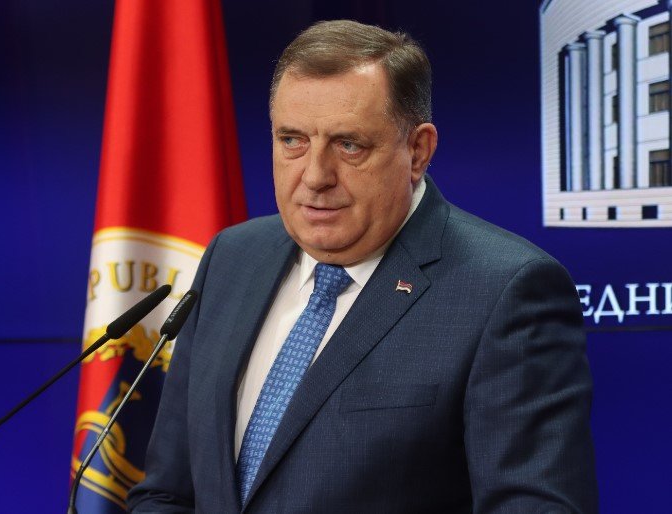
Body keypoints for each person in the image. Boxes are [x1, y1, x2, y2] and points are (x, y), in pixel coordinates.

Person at [128, 20, 597, 513]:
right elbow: (167, 491)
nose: (315, 176)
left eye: (349, 144)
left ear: (417, 151)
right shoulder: (232, 257)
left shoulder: (504, 291)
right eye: (292, 140)